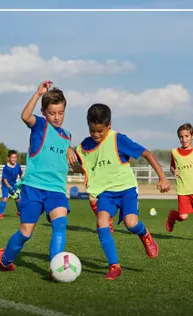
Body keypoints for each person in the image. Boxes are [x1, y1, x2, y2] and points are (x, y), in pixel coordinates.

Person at [71, 103, 170, 280]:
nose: (95, 135)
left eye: (100, 131)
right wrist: (70, 158)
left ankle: (145, 234)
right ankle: (114, 266)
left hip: (126, 190)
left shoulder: (118, 139)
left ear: (108, 126)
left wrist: (162, 177)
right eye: (92, 130)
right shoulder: (84, 146)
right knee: (101, 222)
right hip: (106, 194)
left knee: (131, 223)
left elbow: (146, 153)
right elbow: (84, 167)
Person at [0, 81, 72, 273]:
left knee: (60, 223)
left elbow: (63, 162)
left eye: (61, 112)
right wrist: (38, 93)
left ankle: (55, 267)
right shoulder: (40, 125)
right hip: (33, 188)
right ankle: (5, 258)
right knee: (26, 232)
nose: (57, 117)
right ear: (44, 112)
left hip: (56, 189)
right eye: (52, 113)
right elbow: (25, 116)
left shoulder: (67, 136)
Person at [0, 150, 23, 219]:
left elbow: (21, 174)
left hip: (14, 184)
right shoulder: (6, 168)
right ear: (8, 158)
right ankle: (0, 214)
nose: (14, 159)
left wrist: (22, 181)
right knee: (5, 198)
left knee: (18, 199)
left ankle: (20, 212)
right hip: (6, 185)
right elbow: (4, 178)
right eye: (12, 157)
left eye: (15, 157)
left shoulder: (17, 166)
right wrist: (9, 187)